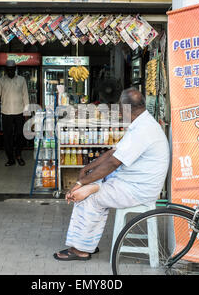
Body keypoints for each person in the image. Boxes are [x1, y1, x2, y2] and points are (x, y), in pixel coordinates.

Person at [54, 87, 170, 261]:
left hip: (138, 190)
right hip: (130, 182)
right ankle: (87, 241)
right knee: (91, 187)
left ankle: (80, 249)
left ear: (125, 108)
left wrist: (81, 183)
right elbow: (114, 152)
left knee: (88, 198)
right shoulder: (142, 123)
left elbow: (114, 162)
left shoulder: (143, 130)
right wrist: (88, 168)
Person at [0, 60, 29, 167]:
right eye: (8, 69)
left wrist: (26, 112)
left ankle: (18, 155)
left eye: (12, 69)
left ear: (15, 68)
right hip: (6, 112)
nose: (11, 71)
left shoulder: (22, 80)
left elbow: (25, 96)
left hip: (19, 112)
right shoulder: (1, 81)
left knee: (19, 135)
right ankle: (10, 158)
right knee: (7, 136)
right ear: (6, 70)